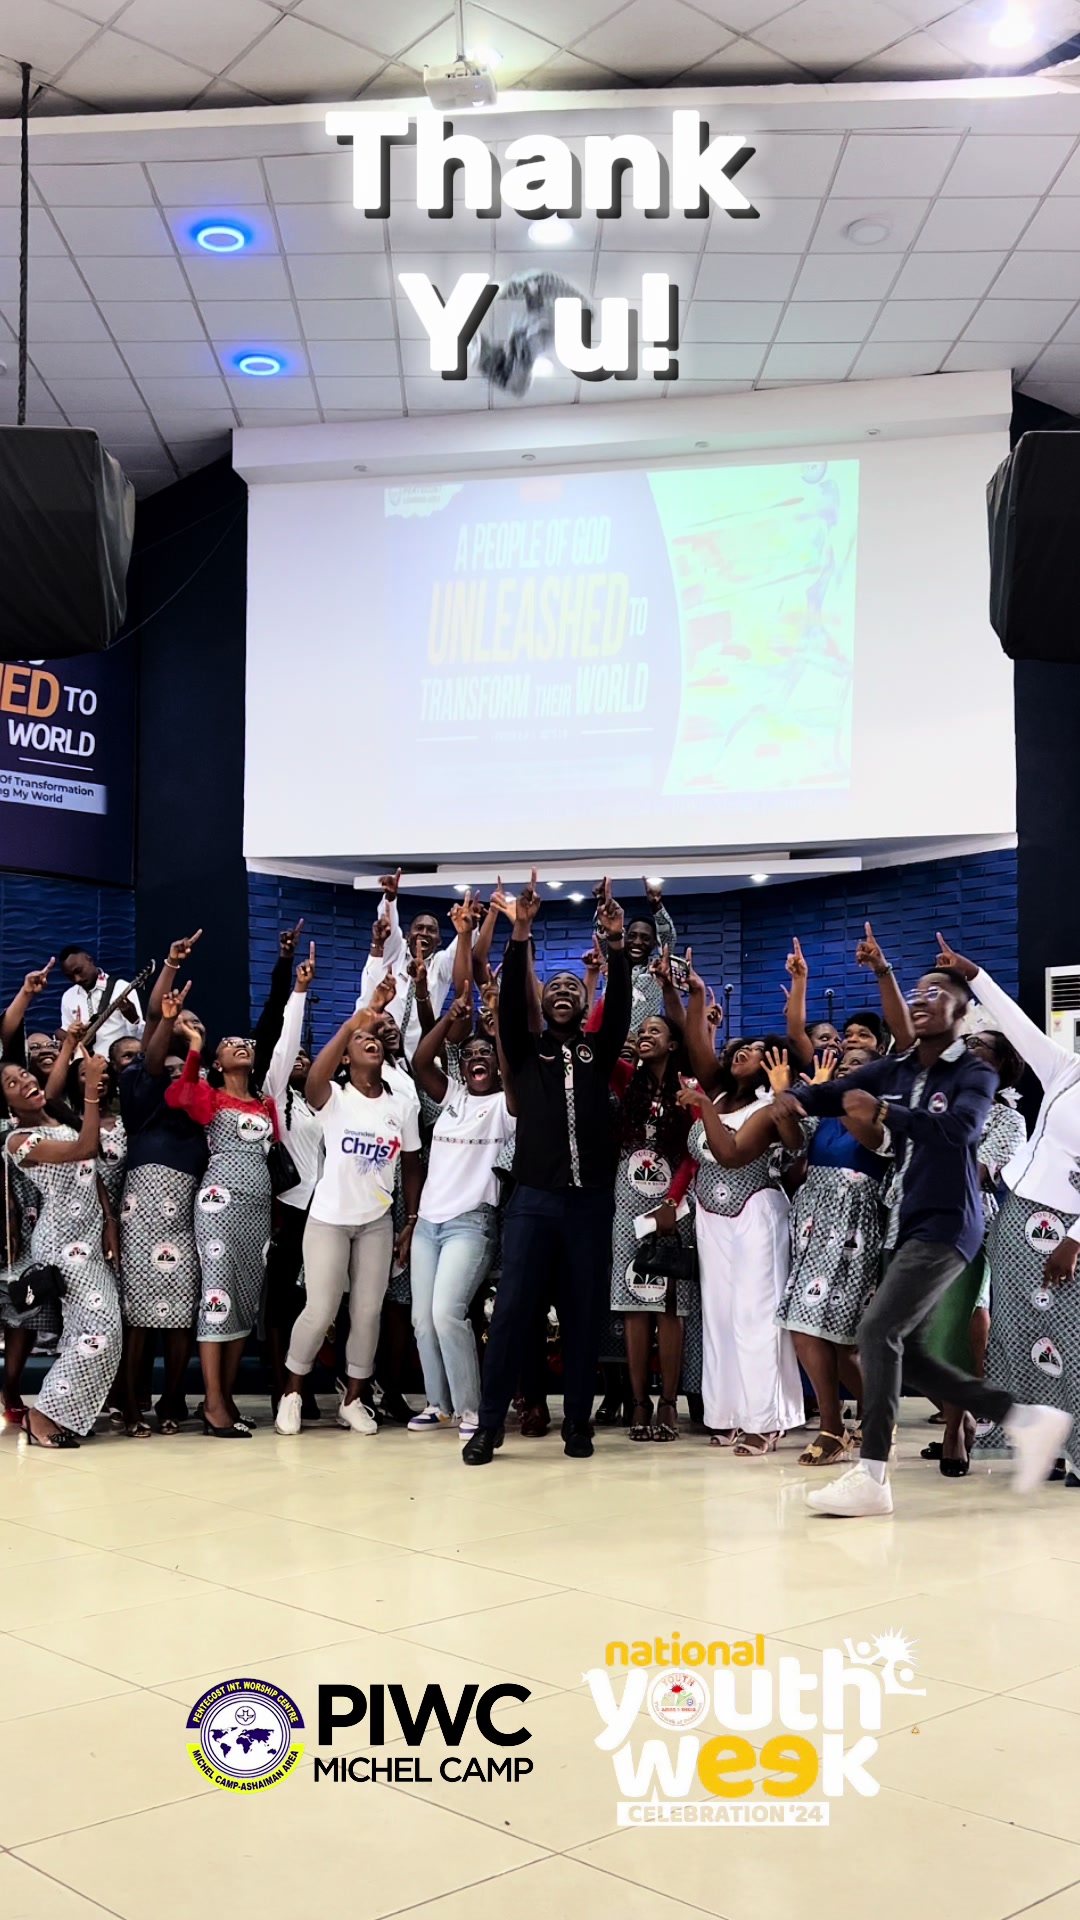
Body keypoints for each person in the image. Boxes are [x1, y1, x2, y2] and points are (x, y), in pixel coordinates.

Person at [784, 957, 1069, 1517]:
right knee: (906, 1352)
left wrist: (886, 1113)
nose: (920, 998)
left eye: (935, 992)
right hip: (908, 1218)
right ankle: (1025, 1420)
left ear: (961, 1012)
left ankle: (872, 1475)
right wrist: (795, 1098)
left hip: (950, 1221)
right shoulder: (899, 1067)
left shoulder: (974, 1073)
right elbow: (840, 1091)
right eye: (917, 991)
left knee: (876, 1330)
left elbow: (961, 1130)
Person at [464, 872, 631, 1466]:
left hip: (590, 1203)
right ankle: (489, 1426)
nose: (562, 991)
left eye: (572, 987)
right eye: (553, 986)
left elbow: (620, 1011)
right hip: (532, 1200)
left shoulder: (596, 1052)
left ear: (583, 1004)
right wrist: (521, 933)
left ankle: (578, 1424)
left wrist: (615, 946)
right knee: (512, 1312)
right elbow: (512, 1003)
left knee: (584, 1315)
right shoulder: (526, 1047)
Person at [932, 936, 1080, 1480]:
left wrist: (1075, 1239)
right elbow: (1016, 1025)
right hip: (1018, 1217)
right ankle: (1044, 1445)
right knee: (1017, 1335)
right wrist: (974, 976)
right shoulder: (1067, 1068)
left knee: (1071, 1336)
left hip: (1068, 1230)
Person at [275, 1008, 421, 1437]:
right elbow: (313, 1081)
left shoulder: (400, 1105)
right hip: (329, 1219)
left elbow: (412, 1165)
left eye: (374, 1038)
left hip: (376, 1222)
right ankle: (292, 1394)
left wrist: (411, 1219)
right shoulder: (334, 1097)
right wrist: (349, 1026)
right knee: (320, 1309)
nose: (371, 1040)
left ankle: (353, 1400)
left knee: (368, 1313)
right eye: (361, 1040)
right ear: (345, 1056)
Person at [678, 1040, 804, 1455]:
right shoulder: (718, 1095)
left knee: (756, 1317)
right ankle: (727, 1412)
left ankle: (766, 1421)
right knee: (719, 1318)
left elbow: (731, 1154)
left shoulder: (770, 1108)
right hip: (710, 1215)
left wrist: (703, 1107)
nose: (742, 1052)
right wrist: (697, 1003)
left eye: (755, 1049)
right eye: (740, 1047)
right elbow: (694, 1037)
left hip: (756, 1212)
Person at [408, 990, 515, 1438]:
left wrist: (498, 1026)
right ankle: (439, 1405)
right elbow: (420, 1061)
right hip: (427, 1224)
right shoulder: (451, 1094)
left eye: (484, 1053)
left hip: (471, 1223)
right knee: (422, 1319)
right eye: (468, 1055)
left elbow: (514, 1071)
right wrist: (450, 1016)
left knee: (447, 1313)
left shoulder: (506, 1105)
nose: (476, 1059)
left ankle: (472, 1410)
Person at [1, 1051, 121, 1447]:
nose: (24, 1081)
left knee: (83, 1332)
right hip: (62, 1243)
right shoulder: (18, 1141)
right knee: (102, 1330)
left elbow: (93, 1174)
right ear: (6, 1103)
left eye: (24, 1075)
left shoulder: (57, 1115)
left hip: (91, 1235)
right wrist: (91, 1092)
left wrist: (109, 1221)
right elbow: (84, 1150)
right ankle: (41, 1414)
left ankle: (62, 1414)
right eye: (12, 1084)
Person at [922, 1027, 1027, 1475]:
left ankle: (955, 1428)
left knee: (953, 1329)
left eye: (979, 1045)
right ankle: (960, 1414)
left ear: (1001, 1065)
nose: (967, 1048)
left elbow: (981, 1173)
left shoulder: (1007, 1119)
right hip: (908, 1219)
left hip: (965, 1223)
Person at [775, 1040, 886, 1466]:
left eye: (858, 1064)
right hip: (811, 1222)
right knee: (822, 1335)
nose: (846, 1068)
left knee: (825, 1332)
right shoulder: (824, 1109)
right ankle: (869, 1418)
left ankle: (839, 1425)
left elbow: (872, 1141)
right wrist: (788, 1101)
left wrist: (836, 1096)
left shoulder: (882, 1112)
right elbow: (793, 1144)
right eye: (844, 1065)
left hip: (852, 1223)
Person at [166, 1026, 274, 1438]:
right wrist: (195, 1046)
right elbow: (179, 1095)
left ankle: (225, 1399)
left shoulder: (265, 1103)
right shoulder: (209, 1096)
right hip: (220, 1203)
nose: (240, 1045)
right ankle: (212, 1403)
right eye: (229, 1044)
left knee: (244, 1300)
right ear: (217, 1063)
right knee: (218, 1295)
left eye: (245, 1043)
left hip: (259, 1206)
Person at [116, 977, 207, 1436]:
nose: (173, 1072)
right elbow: (153, 1053)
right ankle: (132, 1405)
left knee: (180, 1314)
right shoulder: (140, 1082)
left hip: (189, 1206)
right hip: (144, 1204)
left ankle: (172, 1400)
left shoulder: (202, 1089)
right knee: (137, 1316)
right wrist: (169, 976)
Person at [608, 1013, 696, 1442]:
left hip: (673, 1203)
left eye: (654, 1031)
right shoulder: (629, 1081)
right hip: (628, 1202)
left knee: (669, 1305)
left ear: (673, 1043)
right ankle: (640, 1401)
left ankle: (668, 1402)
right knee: (634, 1300)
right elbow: (598, 1038)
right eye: (640, 1031)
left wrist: (672, 1201)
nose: (644, 1035)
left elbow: (695, 1151)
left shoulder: (689, 1086)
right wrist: (604, 982)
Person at [259, 942, 322, 1423]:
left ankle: (306, 1384)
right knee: (282, 1303)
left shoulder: (315, 1103)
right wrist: (298, 992)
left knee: (311, 1301)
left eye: (306, 1054)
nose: (299, 1057)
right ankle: (282, 1388)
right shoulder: (275, 1094)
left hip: (324, 1209)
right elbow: (283, 1044)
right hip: (289, 1208)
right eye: (294, 1054)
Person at [356, 869, 468, 1060]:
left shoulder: (440, 964)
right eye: (419, 928)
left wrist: (468, 929)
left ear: (439, 940)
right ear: (408, 935)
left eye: (431, 930)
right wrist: (390, 899)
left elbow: (462, 949)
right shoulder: (396, 952)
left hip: (421, 1056)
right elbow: (389, 927)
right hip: (382, 1050)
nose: (424, 933)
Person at [59, 946, 143, 1054]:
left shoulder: (121, 988)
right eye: (70, 977)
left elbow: (139, 1036)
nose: (77, 979)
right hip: (82, 1062)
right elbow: (67, 1036)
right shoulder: (68, 996)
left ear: (89, 960)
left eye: (79, 971)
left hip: (115, 1061)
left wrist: (134, 1020)